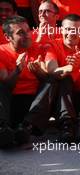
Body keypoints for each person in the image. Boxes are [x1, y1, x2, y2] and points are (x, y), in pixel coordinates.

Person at [0, 16, 54, 148]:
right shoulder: (1, 51)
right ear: (8, 37)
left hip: (33, 105)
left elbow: (47, 77)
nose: (27, 35)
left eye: (28, 30)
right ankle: (2, 129)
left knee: (52, 80)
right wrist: (18, 70)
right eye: (20, 33)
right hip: (11, 102)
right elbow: (6, 85)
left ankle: (26, 127)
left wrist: (39, 73)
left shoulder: (39, 48)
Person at [45, 14, 80, 142]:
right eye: (67, 29)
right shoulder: (53, 45)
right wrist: (70, 68)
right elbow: (52, 70)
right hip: (63, 98)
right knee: (63, 78)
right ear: (61, 30)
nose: (70, 33)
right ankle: (66, 125)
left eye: (75, 30)